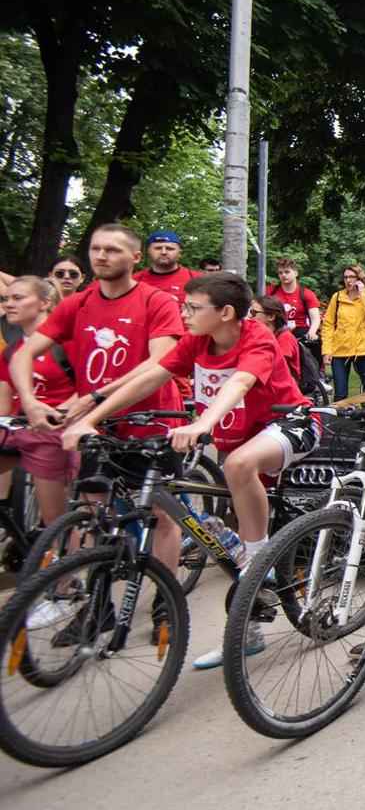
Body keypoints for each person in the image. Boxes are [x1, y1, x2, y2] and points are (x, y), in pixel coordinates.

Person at [62, 271, 315, 667]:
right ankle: (248, 628)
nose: (185, 313)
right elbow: (153, 376)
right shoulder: (197, 341)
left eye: (193, 307)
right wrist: (92, 417)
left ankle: (258, 558)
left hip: (291, 423)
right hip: (238, 435)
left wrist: (202, 423)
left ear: (226, 312)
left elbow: (241, 383)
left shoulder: (256, 336)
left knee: (238, 466)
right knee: (223, 519)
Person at [11, 224, 186, 567]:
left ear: (135, 258)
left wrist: (94, 397)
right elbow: (22, 355)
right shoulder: (77, 303)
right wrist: (30, 402)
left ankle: (167, 606)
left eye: (113, 250)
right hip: (97, 426)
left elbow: (159, 363)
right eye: (96, 249)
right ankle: (95, 603)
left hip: (149, 421)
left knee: (160, 516)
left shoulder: (156, 301)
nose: (102, 256)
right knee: (93, 510)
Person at [0, 278, 80, 624]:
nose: (8, 305)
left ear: (45, 302)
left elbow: (93, 387)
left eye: (18, 298)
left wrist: (60, 415)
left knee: (56, 519)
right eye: (6, 299)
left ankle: (68, 587)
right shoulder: (12, 346)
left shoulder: (67, 342)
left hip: (53, 433)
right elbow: (6, 396)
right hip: (19, 430)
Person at [322, 264, 365, 398]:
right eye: (345, 277)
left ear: (360, 279)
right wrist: (327, 350)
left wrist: (362, 295)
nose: (348, 280)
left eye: (352, 277)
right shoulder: (337, 297)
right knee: (340, 393)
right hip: (340, 350)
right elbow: (328, 324)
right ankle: (340, 418)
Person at [269, 258, 322, 354]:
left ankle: (317, 368)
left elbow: (315, 318)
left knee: (316, 341)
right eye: (280, 273)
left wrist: (312, 331)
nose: (283, 275)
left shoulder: (306, 293)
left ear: (296, 273)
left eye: (287, 272)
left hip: (299, 331)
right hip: (277, 329)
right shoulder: (270, 291)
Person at [133, 230, 195, 307]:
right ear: (148, 251)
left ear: (179, 253)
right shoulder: (134, 281)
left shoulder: (195, 278)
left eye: (169, 248)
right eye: (158, 248)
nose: (163, 252)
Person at [251, 294, 303, 379]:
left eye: (254, 313)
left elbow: (275, 368)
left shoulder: (285, 338)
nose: (250, 317)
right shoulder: (263, 336)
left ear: (271, 317)